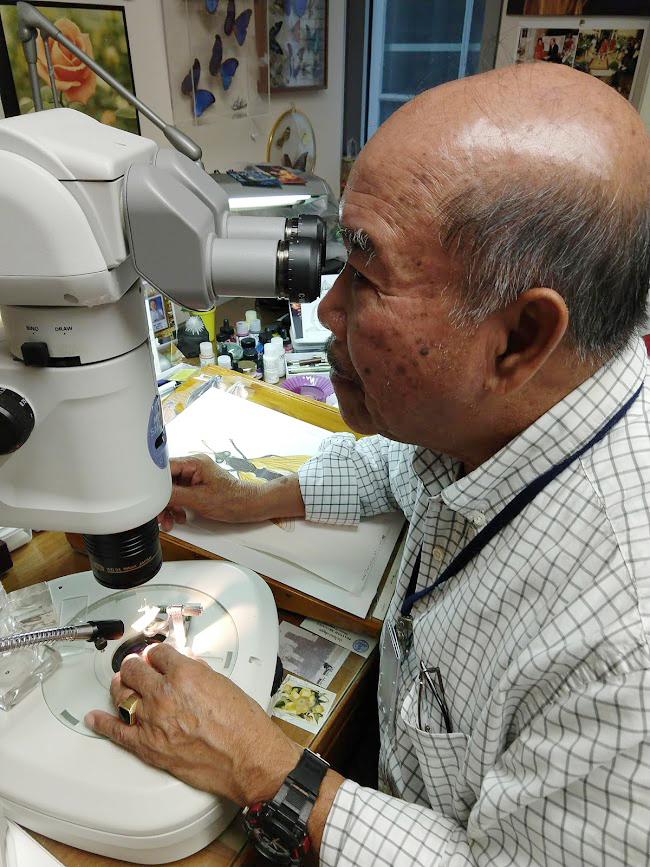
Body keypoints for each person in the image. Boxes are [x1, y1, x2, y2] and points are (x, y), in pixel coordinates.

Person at [86, 62, 650, 865]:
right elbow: (404, 465)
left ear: (520, 338)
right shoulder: (497, 419)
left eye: (366, 267)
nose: (328, 308)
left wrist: (261, 762)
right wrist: (258, 496)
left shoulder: (624, 642)